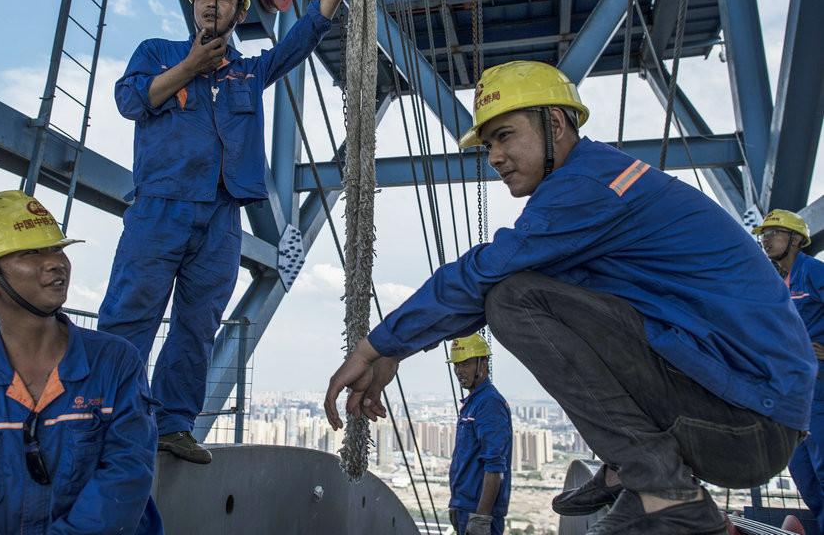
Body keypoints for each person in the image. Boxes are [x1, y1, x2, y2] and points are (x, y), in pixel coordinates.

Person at [324, 61, 815, 535]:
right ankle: (636, 472)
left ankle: (666, 492)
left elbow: (484, 274)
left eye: (505, 135)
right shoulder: (598, 182)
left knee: (512, 301)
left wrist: (375, 347)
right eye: (488, 143)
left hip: (748, 423)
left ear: (554, 123)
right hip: (744, 410)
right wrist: (396, 349)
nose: (493, 156)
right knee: (523, 291)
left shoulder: (586, 186)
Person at [100, 0, 371, 464]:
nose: (211, 3)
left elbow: (302, 39)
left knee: (198, 324)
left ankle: (173, 425)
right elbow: (130, 101)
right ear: (193, 5)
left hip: (222, 216)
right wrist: (188, 67)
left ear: (239, 12)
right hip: (160, 208)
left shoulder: (248, 72)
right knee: (130, 315)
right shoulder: (156, 52)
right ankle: (107, 418)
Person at [0, 190, 161, 534]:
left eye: (57, 248)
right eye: (31, 252)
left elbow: (126, 474)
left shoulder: (114, 362)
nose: (56, 262)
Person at [754, 209, 824, 533]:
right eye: (763, 234)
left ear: (796, 239)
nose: (766, 239)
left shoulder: (813, 273)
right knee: (804, 477)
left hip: (819, 396)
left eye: (774, 233)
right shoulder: (774, 285)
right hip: (791, 398)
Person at [446, 334, 512, 535]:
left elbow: (495, 466)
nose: (459, 371)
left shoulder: (489, 403)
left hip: (479, 513)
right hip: (464, 507)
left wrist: (481, 519)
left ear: (483, 363)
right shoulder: (472, 403)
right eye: (456, 365)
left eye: (465, 364)